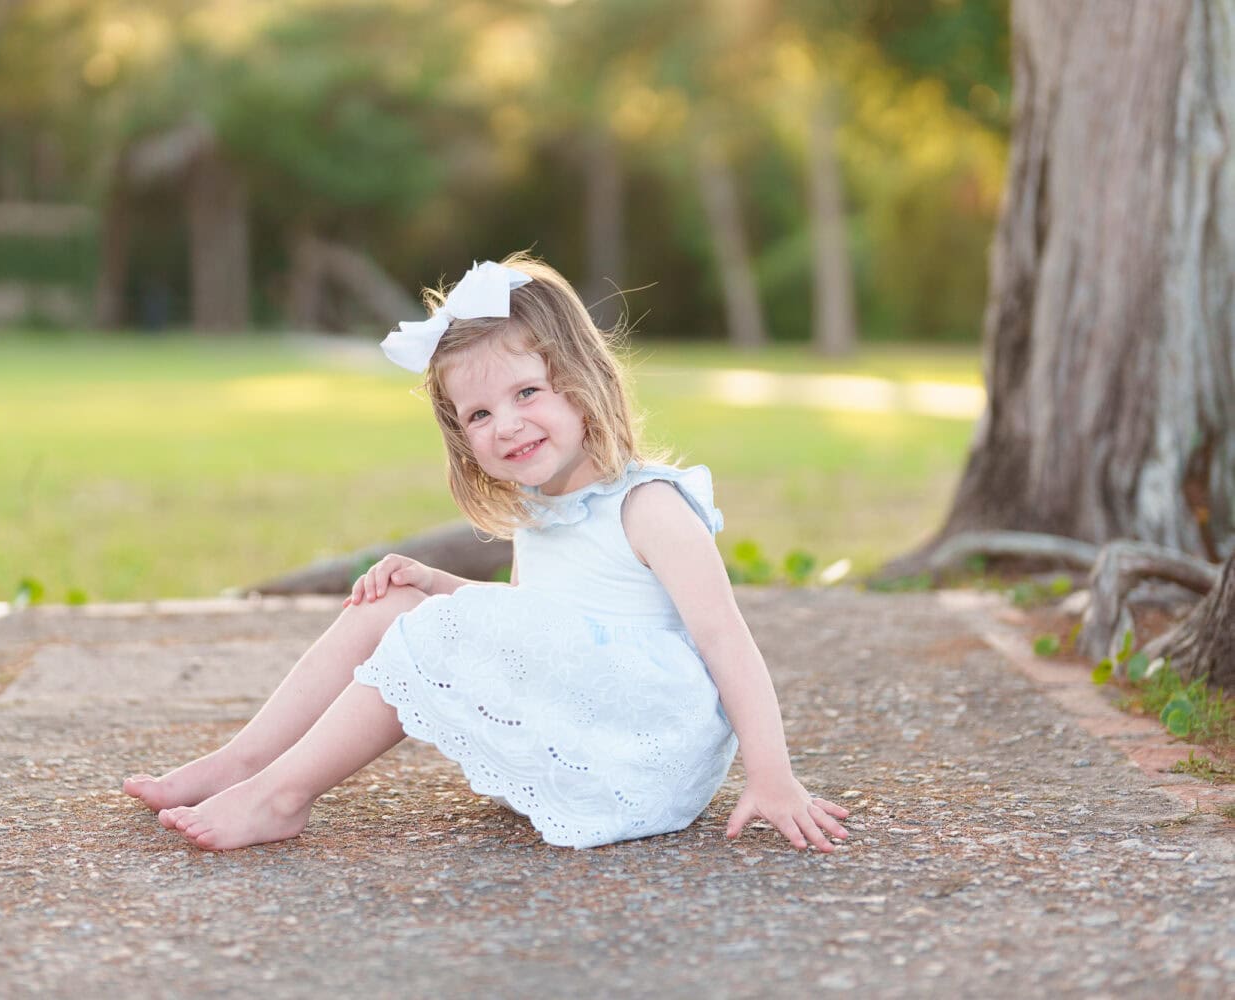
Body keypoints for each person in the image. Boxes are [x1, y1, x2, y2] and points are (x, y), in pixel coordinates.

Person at [124, 253, 849, 852]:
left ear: (580, 384)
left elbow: (728, 641)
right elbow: (532, 620)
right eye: (479, 414)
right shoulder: (542, 513)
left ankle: (281, 796)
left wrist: (772, 774)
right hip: (593, 717)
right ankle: (246, 759)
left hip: (642, 747)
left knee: (431, 624)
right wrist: (433, 583)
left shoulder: (649, 506)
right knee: (397, 603)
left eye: (527, 392)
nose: (506, 425)